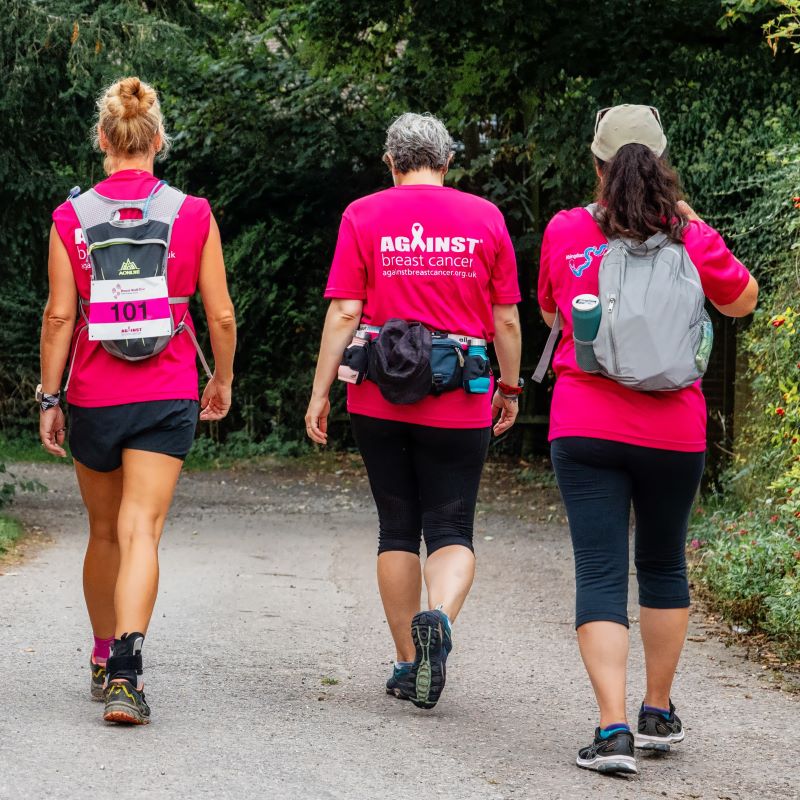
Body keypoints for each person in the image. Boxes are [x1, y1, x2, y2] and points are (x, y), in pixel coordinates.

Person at [537, 104, 758, 773]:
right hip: (674, 428)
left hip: (585, 423)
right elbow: (743, 300)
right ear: (662, 159)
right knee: (663, 565)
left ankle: (611, 733)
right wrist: (691, 231)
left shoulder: (568, 229)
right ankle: (657, 713)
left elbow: (551, 309)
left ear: (595, 163)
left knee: (601, 572)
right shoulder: (691, 234)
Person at [305, 112, 522, 709]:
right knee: (451, 528)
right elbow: (504, 317)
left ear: (390, 161)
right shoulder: (486, 218)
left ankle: (408, 662)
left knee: (397, 528)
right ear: (447, 161)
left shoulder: (363, 214)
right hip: (460, 398)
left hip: (378, 397)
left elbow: (346, 311)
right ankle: (440, 621)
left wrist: (321, 389)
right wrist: (509, 386)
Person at [39, 76, 236, 725]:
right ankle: (128, 674)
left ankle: (101, 659)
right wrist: (223, 380)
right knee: (140, 530)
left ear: (103, 138)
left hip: (94, 395)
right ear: (158, 140)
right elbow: (221, 316)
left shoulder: (71, 218)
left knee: (102, 531)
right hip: (166, 391)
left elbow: (61, 318)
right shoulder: (193, 213)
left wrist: (49, 397)